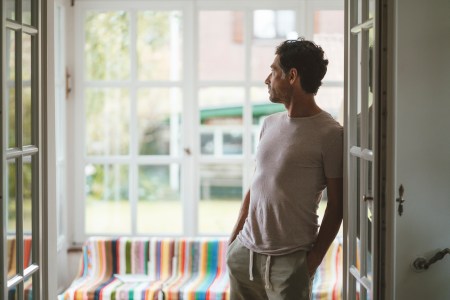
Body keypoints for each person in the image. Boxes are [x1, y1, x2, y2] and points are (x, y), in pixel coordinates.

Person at [226, 38, 343, 300]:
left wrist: (310, 263)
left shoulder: (330, 134)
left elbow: (337, 206)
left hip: (290, 263)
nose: (268, 79)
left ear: (292, 76)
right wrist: (233, 242)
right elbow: (258, 183)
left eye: (274, 71)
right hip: (245, 256)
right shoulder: (268, 124)